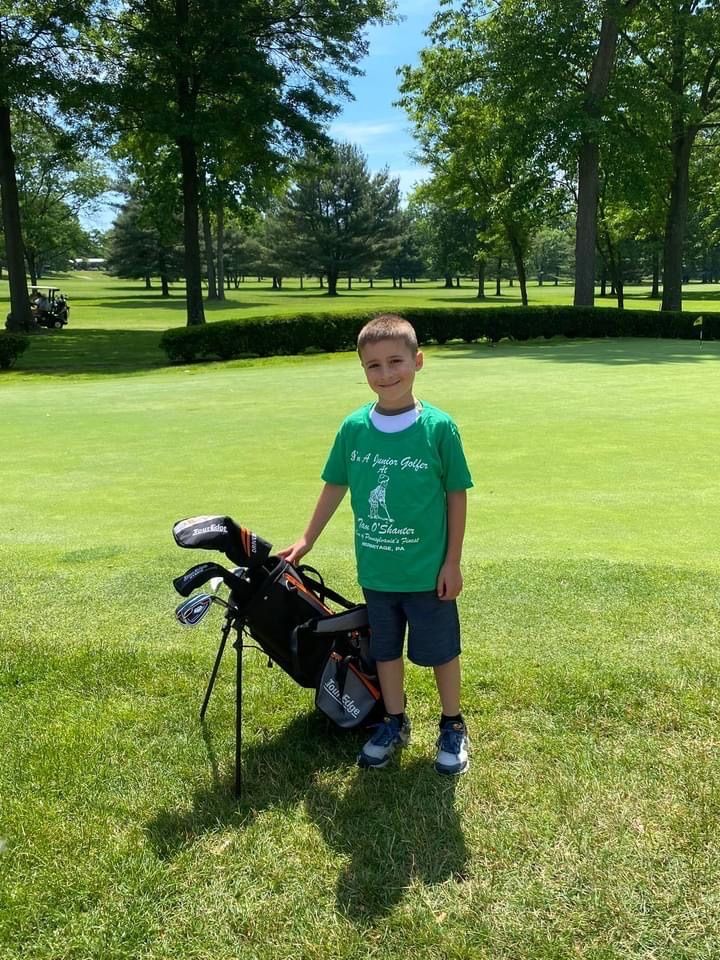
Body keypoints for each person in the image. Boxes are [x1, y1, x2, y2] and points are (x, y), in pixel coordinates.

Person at [280, 313, 473, 774]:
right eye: (373, 366)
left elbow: (456, 495)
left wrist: (452, 562)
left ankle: (452, 725)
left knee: (440, 651)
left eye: (395, 362)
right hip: (378, 573)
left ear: (418, 361)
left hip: (427, 574)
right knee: (384, 651)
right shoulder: (353, 429)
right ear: (362, 369)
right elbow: (334, 485)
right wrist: (306, 538)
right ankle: (394, 719)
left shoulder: (438, 428)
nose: (386, 375)